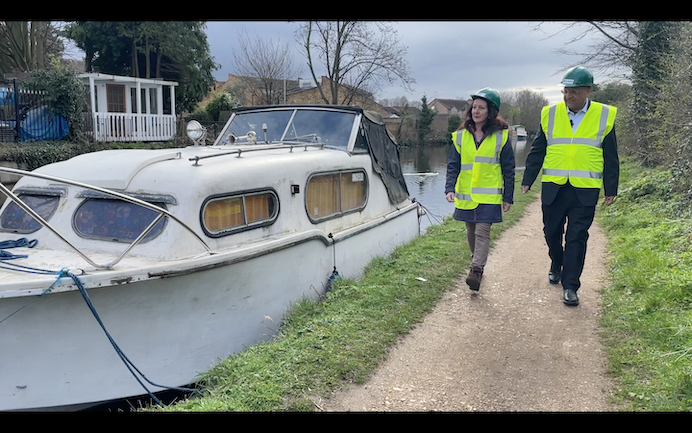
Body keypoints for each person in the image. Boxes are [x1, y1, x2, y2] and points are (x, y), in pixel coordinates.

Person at [521, 66, 619, 306]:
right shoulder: (550, 114)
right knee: (551, 232)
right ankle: (556, 261)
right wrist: (527, 179)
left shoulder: (604, 115)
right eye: (566, 91)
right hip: (554, 186)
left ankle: (571, 285)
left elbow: (611, 156)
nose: (568, 96)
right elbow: (537, 150)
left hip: (585, 190)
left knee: (577, 236)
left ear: (588, 91)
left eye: (574, 91)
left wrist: (611, 188)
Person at [445, 88, 515, 291]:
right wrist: (450, 187)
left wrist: (507, 196)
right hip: (466, 193)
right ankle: (476, 259)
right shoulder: (460, 136)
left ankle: (476, 270)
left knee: (483, 232)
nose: (476, 111)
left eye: (481, 108)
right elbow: (453, 165)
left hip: (489, 195)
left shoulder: (501, 137)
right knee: (471, 230)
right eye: (474, 107)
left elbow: (508, 169)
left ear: (490, 111)